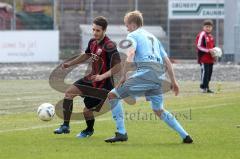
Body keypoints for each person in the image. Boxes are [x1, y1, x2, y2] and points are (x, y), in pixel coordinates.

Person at [104, 10, 193, 143]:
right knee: (158, 109)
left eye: (126, 25)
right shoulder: (153, 38)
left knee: (112, 95)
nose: (126, 28)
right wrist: (174, 81)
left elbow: (131, 53)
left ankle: (121, 133)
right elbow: (167, 61)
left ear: (133, 24)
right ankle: (185, 136)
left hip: (147, 72)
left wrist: (124, 75)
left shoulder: (132, 35)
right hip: (158, 75)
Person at [54, 16, 121, 138]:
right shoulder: (92, 42)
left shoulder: (109, 45)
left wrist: (102, 76)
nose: (95, 32)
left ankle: (89, 130)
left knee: (87, 111)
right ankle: (65, 126)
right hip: (91, 79)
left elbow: (118, 66)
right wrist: (70, 63)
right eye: (93, 29)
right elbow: (86, 55)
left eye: (98, 30)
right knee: (69, 93)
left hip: (103, 85)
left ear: (104, 30)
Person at [195, 19, 215, 93]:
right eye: (206, 26)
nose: (208, 28)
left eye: (209, 27)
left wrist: (215, 53)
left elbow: (213, 47)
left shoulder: (211, 36)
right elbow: (199, 46)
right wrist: (208, 50)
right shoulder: (202, 35)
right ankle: (203, 87)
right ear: (203, 27)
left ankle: (207, 87)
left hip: (210, 59)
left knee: (209, 73)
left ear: (212, 28)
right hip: (203, 58)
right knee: (205, 72)